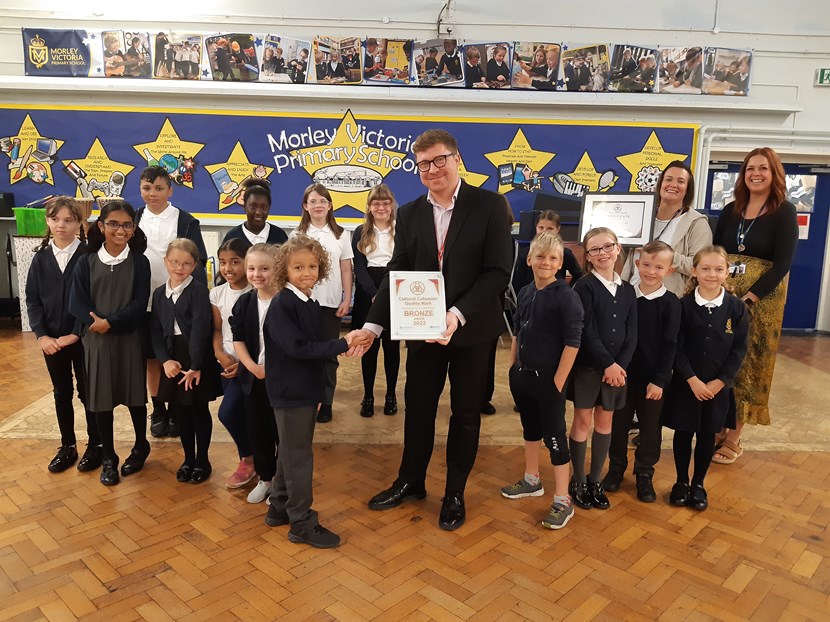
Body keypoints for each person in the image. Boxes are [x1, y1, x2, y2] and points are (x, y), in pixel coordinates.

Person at [356, 129, 513, 531]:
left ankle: (455, 492)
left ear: (456, 158)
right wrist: (373, 324)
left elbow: (497, 273)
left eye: (439, 160)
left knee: (464, 414)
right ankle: (411, 480)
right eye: (423, 164)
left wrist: (457, 314)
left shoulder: (491, 205)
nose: (431, 170)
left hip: (471, 331)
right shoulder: (408, 213)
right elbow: (399, 270)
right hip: (421, 328)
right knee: (419, 408)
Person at [262, 235, 364, 548]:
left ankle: (279, 507)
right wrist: (343, 343)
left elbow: (315, 352)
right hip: (290, 392)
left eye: (312, 266)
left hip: (305, 390)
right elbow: (299, 348)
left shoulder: (309, 300)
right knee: (299, 457)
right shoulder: (283, 304)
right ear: (284, 270)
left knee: (291, 453)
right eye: (298, 267)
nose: (307, 272)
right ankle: (301, 522)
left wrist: (320, 391)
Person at [711, 147, 798, 463]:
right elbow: (715, 252)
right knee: (720, 360)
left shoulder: (784, 212)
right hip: (723, 298)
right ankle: (718, 428)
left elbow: (782, 263)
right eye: (750, 169)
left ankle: (734, 437)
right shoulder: (731, 209)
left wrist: (749, 298)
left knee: (749, 365)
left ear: (774, 173)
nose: (756, 174)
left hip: (760, 303)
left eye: (763, 168)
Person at [500, 231, 583, 530]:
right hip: (523, 376)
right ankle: (532, 479)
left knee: (555, 438)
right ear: (529, 259)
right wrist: (513, 367)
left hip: (549, 381)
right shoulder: (524, 291)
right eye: (540, 257)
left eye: (552, 258)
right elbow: (519, 330)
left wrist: (557, 383)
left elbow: (573, 343)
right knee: (530, 430)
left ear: (560, 262)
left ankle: (563, 500)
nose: (545, 262)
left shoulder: (566, 296)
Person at [69, 200, 151, 486]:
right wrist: (97, 324)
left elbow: (139, 304)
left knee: (134, 396)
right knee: (101, 399)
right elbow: (76, 302)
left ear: (134, 228)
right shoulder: (86, 260)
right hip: (96, 342)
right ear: (101, 226)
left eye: (127, 224)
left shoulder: (140, 261)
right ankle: (109, 458)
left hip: (129, 339)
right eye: (113, 223)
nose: (120, 229)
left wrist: (111, 322)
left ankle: (141, 445)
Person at [663, 247, 748, 510]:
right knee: (684, 432)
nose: (712, 274)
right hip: (687, 385)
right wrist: (691, 379)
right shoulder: (683, 306)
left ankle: (698, 484)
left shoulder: (736, 308)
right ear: (694, 271)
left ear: (726, 273)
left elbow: (739, 349)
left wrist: (720, 381)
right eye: (706, 268)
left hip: (717, 388)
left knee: (707, 435)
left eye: (719, 269)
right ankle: (681, 482)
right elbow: (675, 345)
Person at [27, 197, 101, 473]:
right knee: (61, 393)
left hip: (82, 339)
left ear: (78, 223)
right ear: (47, 221)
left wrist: (76, 333)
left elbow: (94, 301)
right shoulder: (40, 258)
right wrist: (41, 336)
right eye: (56, 219)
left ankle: (96, 444)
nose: (61, 225)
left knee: (88, 392)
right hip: (51, 343)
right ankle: (67, 444)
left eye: (68, 220)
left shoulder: (87, 256)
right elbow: (33, 299)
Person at [603, 241, 681, 502]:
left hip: (654, 381)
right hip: (622, 376)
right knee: (618, 425)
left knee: (650, 429)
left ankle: (645, 473)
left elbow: (670, 344)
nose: (650, 271)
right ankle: (615, 468)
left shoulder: (671, 303)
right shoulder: (624, 294)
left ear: (669, 270)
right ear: (637, 264)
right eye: (646, 265)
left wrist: (659, 380)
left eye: (658, 267)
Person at [136, 165, 207, 439]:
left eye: (158, 188)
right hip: (144, 301)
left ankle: (177, 407)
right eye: (146, 188)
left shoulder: (186, 221)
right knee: (153, 359)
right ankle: (159, 410)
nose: (152, 193)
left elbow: (197, 263)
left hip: (177, 300)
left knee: (179, 355)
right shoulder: (134, 218)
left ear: (170, 190)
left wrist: (197, 301)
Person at [569, 227, 637, 510]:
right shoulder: (583, 287)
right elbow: (587, 331)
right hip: (589, 369)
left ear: (618, 248)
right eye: (594, 250)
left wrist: (619, 366)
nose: (602, 253)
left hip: (616, 371)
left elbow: (631, 333)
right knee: (583, 422)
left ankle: (596, 480)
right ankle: (578, 480)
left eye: (607, 246)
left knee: (605, 423)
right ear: (587, 256)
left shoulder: (628, 289)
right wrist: (607, 363)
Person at [151, 239, 221, 484]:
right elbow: (157, 332)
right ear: (166, 262)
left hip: (196, 360)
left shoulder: (198, 290)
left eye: (187, 263)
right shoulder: (160, 294)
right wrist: (165, 360)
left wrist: (196, 366)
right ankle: (187, 459)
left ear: (194, 265)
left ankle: (202, 459)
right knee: (181, 411)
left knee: (198, 410)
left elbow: (202, 330)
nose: (179, 267)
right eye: (175, 262)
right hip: (173, 359)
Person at [290, 184, 353, 423]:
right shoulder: (297, 235)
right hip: (303, 303)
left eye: (322, 201)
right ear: (305, 206)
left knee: (328, 356)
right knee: (304, 353)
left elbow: (346, 268)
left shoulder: (340, 234)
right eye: (312, 201)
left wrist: (347, 298)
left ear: (330, 205)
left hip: (331, 304)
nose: (318, 205)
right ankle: (306, 399)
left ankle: (326, 402)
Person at [230, 244, 281, 504]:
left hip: (282, 380)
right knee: (258, 430)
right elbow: (238, 338)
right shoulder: (245, 302)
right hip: (253, 378)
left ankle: (282, 482)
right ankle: (266, 477)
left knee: (281, 431)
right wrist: (251, 366)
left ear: (277, 269)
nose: (257, 274)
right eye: (251, 268)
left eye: (264, 268)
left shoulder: (287, 300)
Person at [621, 161, 712, 297]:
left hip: (670, 301)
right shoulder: (642, 214)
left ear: (688, 189)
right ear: (660, 184)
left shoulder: (697, 223)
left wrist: (666, 256)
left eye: (680, 181)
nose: (673, 185)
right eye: (668, 179)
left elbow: (701, 266)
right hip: (631, 296)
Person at [351, 184, 400, 418]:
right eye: (376, 203)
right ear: (369, 207)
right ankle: (368, 396)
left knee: (392, 348)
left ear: (392, 205)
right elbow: (359, 267)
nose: (381, 207)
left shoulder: (401, 230)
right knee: (367, 346)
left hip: (393, 288)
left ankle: (391, 395)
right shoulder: (360, 232)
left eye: (385, 202)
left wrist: (386, 293)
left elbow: (403, 263)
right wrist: (373, 293)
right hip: (367, 292)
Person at [210, 238, 255, 489]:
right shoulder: (217, 293)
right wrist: (219, 353)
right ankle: (248, 457)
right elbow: (217, 330)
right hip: (225, 363)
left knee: (229, 413)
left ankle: (250, 458)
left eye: (235, 262)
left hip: (248, 364)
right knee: (236, 412)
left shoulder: (256, 292)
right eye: (224, 262)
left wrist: (243, 362)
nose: (228, 268)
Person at [513, 210, 582, 295]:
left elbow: (578, 275)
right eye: (541, 227)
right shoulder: (525, 253)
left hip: (556, 297)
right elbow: (518, 280)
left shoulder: (566, 254)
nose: (544, 231)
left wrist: (569, 290)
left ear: (558, 229)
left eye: (550, 228)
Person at [222, 182, 288, 250]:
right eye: (253, 207)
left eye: (264, 207)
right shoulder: (232, 237)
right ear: (244, 207)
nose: (258, 212)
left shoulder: (279, 235)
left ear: (269, 208)